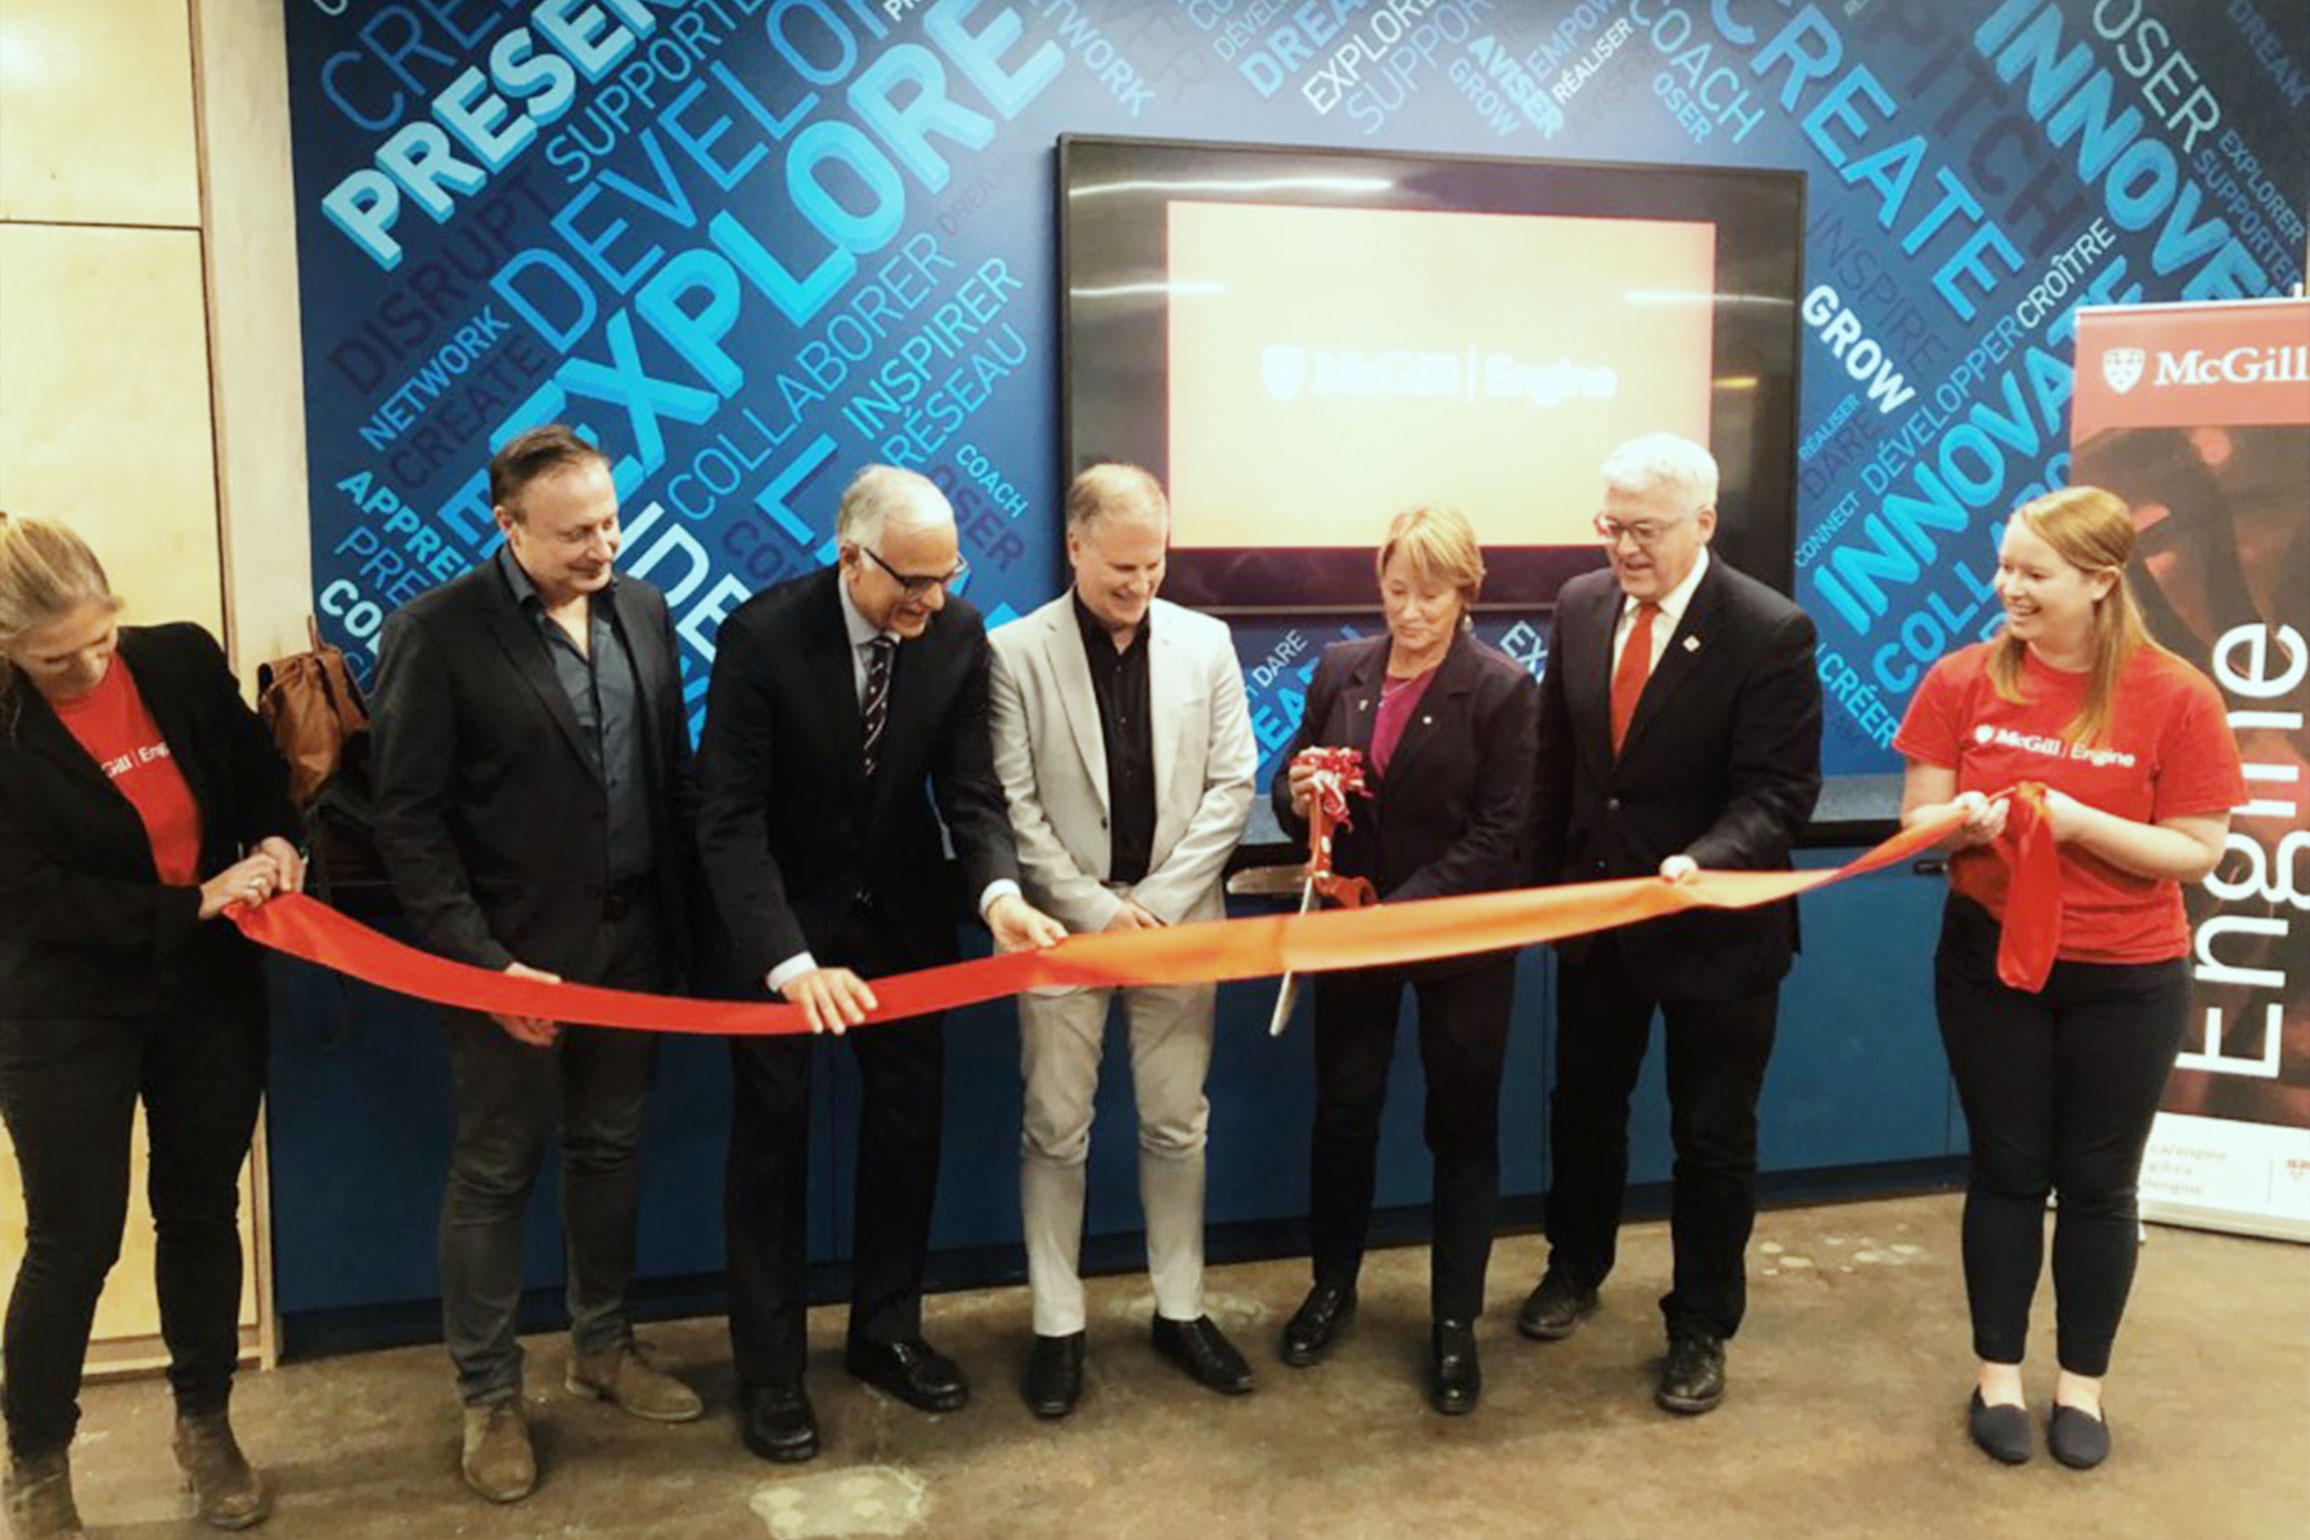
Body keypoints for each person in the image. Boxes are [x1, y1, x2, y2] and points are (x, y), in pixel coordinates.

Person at [698, 465, 1066, 1463]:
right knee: (771, 1149)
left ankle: (886, 1331)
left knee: (907, 1133)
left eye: (946, 576)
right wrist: (787, 958)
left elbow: (972, 794)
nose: (932, 600)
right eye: (912, 580)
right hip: (784, 933)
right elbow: (727, 823)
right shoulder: (763, 637)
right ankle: (771, 1373)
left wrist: (998, 898)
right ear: (850, 556)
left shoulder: (954, 635)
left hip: (904, 926)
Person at [368, 426, 705, 1504]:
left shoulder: (644, 612)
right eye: (574, 532)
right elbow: (408, 824)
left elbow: (670, 776)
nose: (602, 544)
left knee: (610, 1150)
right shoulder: (438, 633)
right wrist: (484, 967)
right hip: (509, 965)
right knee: (494, 1174)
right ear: (507, 526)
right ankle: (490, 1395)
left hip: (633, 950)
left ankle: (602, 1348)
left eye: (610, 520)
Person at [1894, 485, 2242, 1470]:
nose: (2009, 588)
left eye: (2034, 574)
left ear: (2100, 581)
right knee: (2005, 1170)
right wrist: (1959, 818)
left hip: (2127, 977)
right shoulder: (1962, 678)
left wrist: (2080, 823)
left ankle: (2080, 1385)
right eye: (2004, 568)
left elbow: (2197, 849)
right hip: (1990, 964)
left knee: (2098, 1184)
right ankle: (1996, 1373)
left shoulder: (2175, 694)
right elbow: (1914, 815)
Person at [0, 513, 301, 1538]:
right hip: (65, 1006)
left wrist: (275, 841)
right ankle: (36, 1459)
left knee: (201, 1207)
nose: (87, 663)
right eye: (54, 656)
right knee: (73, 1239)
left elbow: (259, 772)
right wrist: (198, 902)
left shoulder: (175, 658)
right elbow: (33, 897)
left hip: (205, 995)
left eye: (100, 635)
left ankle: (204, 1424)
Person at [1519, 432, 1821, 1416]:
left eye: (1644, 530)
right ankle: (1574, 1267)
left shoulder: (1769, 631)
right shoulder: (1578, 605)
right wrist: (1533, 892)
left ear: (1705, 521)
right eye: (1610, 526)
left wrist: (1707, 860)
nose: (1623, 548)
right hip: (1599, 922)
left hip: (1717, 934)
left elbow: (1780, 795)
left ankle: (1699, 1324)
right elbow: (1555, 766)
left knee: (1711, 1137)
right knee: (1584, 1108)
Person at [987, 464, 1259, 1419]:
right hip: (1061, 929)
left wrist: (1161, 900)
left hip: (1181, 925)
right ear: (1073, 547)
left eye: (1154, 565)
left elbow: (1233, 787)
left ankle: (1179, 1308)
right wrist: (1102, 914)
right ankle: (1057, 1324)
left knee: (1177, 1123)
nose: (1140, 585)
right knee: (1054, 1128)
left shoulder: (1209, 643)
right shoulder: (1013, 653)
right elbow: (1014, 808)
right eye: (1120, 568)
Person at [1270, 506, 1539, 1414]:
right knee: (1343, 1114)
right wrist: (1296, 788)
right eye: (1395, 590)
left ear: (1467, 591)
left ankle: (1454, 1322)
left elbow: (1506, 832)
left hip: (1455, 944)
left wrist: (1405, 912)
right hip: (1353, 937)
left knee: (1461, 1130)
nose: (1411, 611)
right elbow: (1290, 784)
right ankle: (1331, 1288)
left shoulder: (1503, 690)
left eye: (1431, 593)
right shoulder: (1341, 670)